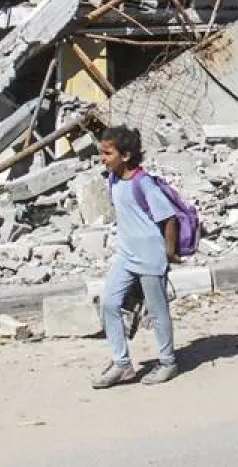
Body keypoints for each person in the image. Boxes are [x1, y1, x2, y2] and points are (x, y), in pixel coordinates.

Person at [92, 125, 180, 388]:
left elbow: (169, 218)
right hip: (126, 256)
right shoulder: (113, 179)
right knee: (109, 303)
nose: (103, 159)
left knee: (157, 311)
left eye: (108, 153)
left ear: (126, 155)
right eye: (102, 153)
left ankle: (168, 362)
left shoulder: (143, 183)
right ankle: (122, 364)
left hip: (151, 257)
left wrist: (169, 252)